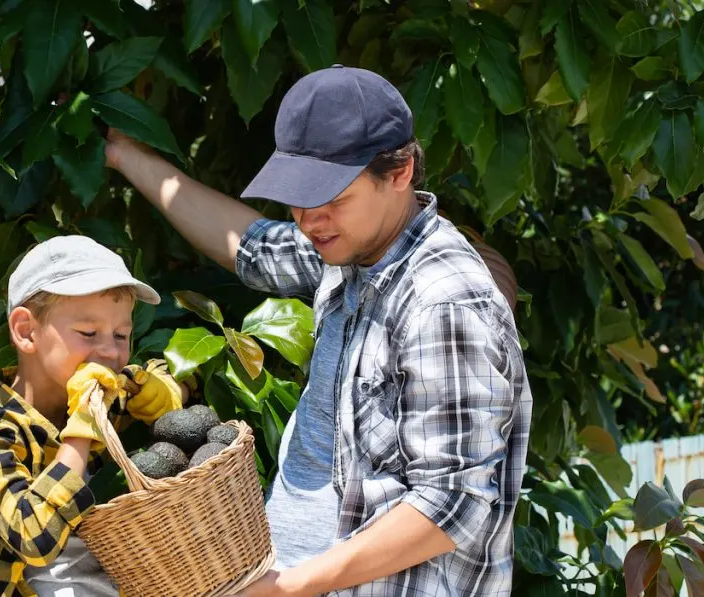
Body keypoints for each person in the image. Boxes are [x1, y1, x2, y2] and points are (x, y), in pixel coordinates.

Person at [104, 65, 533, 596]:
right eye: (297, 198)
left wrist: (291, 587)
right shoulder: (350, 248)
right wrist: (125, 154)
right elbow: (253, 248)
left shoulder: (442, 301)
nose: (310, 221)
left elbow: (453, 504)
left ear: (400, 172)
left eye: (331, 198)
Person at [0, 235, 185, 597]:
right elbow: (31, 534)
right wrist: (82, 428)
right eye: (89, 333)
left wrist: (162, 390)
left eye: (122, 334)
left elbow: (169, 376)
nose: (109, 351)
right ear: (26, 331)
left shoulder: (108, 392)